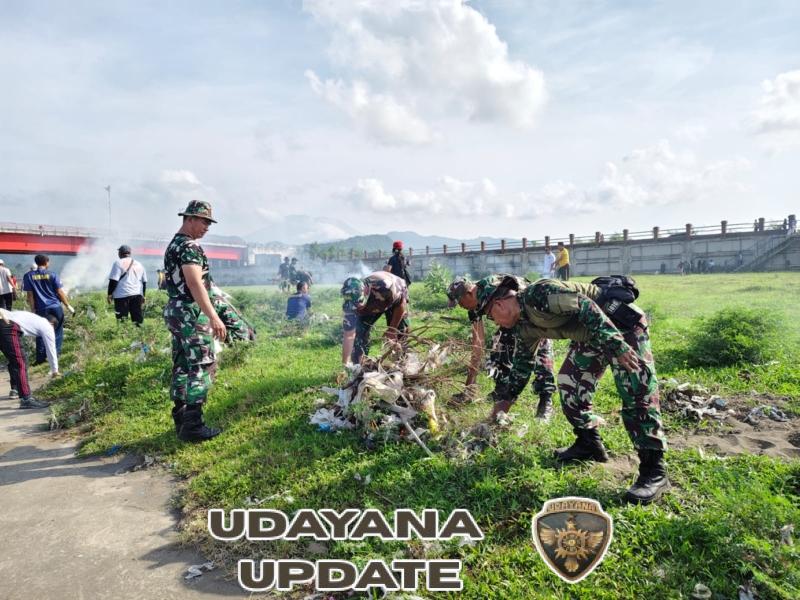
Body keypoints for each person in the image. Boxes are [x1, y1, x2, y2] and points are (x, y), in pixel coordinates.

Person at [478, 276, 668, 504]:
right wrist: (504, 404)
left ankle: (654, 471)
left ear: (498, 305)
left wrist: (617, 345)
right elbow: (522, 366)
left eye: (491, 316)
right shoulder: (523, 326)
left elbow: (586, 306)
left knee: (638, 392)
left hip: (621, 327)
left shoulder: (539, 295)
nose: (494, 322)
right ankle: (588, 444)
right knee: (570, 384)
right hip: (591, 336)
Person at [447, 275, 556, 420]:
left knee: (540, 352)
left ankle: (545, 400)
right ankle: (502, 391)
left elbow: (522, 306)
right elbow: (478, 344)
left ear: (469, 293)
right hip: (509, 322)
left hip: (531, 316)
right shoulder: (473, 307)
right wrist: (469, 387)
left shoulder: (495, 288)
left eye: (459, 301)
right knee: (498, 349)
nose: (460, 306)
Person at [163, 200, 227, 442]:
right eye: (203, 221)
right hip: (190, 312)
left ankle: (180, 419)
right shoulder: (189, 247)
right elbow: (194, 282)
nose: (207, 227)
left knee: (182, 364)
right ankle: (193, 424)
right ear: (189, 219)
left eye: (209, 223)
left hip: (176, 311)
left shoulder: (174, 245)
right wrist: (213, 316)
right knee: (202, 365)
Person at [340, 271, 409, 364]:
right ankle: (359, 365)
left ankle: (401, 362)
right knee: (359, 333)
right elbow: (349, 335)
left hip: (395, 298)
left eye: (358, 304)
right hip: (372, 304)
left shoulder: (385, 287)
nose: (356, 308)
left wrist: (392, 330)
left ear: (366, 292)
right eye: (354, 305)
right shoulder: (350, 304)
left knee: (400, 332)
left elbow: (401, 304)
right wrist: (345, 364)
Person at [0, 308, 58, 408]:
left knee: (14, 361)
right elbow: (51, 349)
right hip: (9, 327)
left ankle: (16, 389)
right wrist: (55, 370)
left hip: (4, 322)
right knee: (20, 362)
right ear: (52, 324)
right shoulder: (47, 326)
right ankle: (26, 399)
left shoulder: (33, 318)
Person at [22, 254, 74, 365]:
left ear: (36, 263)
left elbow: (30, 296)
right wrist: (68, 305)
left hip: (41, 309)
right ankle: (56, 354)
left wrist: (33, 310)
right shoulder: (53, 274)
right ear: (46, 262)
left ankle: (40, 359)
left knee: (40, 333)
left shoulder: (28, 276)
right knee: (58, 331)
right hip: (55, 307)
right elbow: (60, 292)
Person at [107, 245, 148, 326]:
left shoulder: (118, 263)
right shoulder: (139, 264)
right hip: (137, 294)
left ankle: (123, 335)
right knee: (137, 318)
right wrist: (144, 295)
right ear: (130, 253)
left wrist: (109, 294)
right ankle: (139, 335)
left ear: (120, 253)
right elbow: (144, 282)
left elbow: (113, 281)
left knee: (121, 319)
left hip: (121, 295)